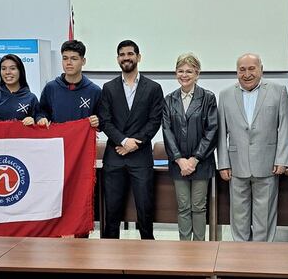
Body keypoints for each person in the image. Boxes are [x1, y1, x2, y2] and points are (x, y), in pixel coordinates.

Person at [217, 53, 288, 242]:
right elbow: (222, 132)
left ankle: (262, 257)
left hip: (267, 165)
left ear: (261, 69)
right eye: (242, 70)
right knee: (238, 216)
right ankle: (241, 255)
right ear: (237, 72)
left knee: (264, 216)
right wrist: (223, 163)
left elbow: (284, 128)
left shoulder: (278, 91)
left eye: (252, 68)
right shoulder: (225, 95)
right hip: (236, 165)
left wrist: (282, 159)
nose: (247, 74)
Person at [97, 40, 164, 239]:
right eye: (122, 54)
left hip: (141, 156)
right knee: (112, 211)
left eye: (130, 54)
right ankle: (110, 258)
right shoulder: (108, 88)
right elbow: (105, 121)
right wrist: (123, 141)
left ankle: (147, 256)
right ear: (118, 59)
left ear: (138, 57)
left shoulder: (153, 88)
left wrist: (134, 144)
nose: (126, 58)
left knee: (145, 209)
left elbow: (154, 121)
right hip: (115, 157)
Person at [162, 53, 218, 241]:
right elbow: (167, 131)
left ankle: (200, 249)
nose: (184, 75)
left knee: (198, 207)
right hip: (179, 165)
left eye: (189, 71)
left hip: (201, 163)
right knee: (184, 207)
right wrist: (180, 160)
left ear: (197, 73)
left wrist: (194, 159)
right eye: (180, 71)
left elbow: (211, 131)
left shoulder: (207, 98)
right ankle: (185, 248)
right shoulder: (169, 99)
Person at [37, 40, 101, 127]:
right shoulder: (51, 88)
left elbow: (103, 120)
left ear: (83, 61)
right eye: (65, 58)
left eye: (74, 59)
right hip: (58, 139)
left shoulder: (94, 91)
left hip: (82, 140)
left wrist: (98, 121)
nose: (68, 63)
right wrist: (41, 118)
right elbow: (41, 112)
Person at [0, 54, 43, 125]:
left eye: (12, 68)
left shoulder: (30, 98)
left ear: (20, 71)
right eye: (3, 69)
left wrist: (33, 120)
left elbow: (39, 119)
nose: (7, 72)